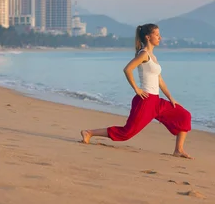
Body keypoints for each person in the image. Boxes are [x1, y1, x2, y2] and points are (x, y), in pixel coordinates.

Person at [80, 24, 193, 158]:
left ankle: (178, 150)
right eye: (157, 35)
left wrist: (171, 98)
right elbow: (127, 69)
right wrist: (137, 89)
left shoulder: (153, 57)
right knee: (126, 133)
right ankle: (89, 132)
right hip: (145, 100)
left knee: (184, 116)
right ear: (148, 37)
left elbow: (160, 80)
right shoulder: (144, 54)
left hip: (156, 102)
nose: (160, 38)